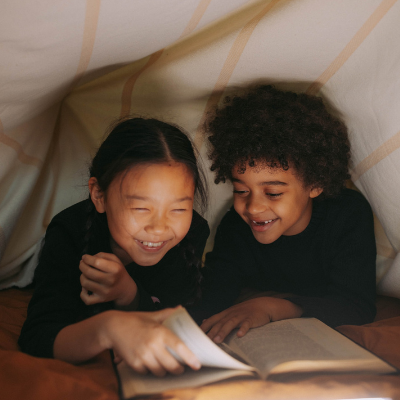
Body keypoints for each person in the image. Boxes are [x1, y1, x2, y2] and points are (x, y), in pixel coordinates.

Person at [19, 117, 210, 377]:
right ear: (99, 195)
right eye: (141, 208)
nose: (159, 227)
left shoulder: (191, 234)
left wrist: (128, 295)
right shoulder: (69, 231)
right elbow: (38, 337)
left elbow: (180, 317)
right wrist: (107, 328)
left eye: (178, 209)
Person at [188, 85, 376, 344]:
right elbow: (211, 298)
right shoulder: (235, 227)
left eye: (273, 193)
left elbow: (357, 307)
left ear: (315, 184)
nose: (253, 207)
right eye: (241, 190)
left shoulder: (347, 215)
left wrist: (272, 307)